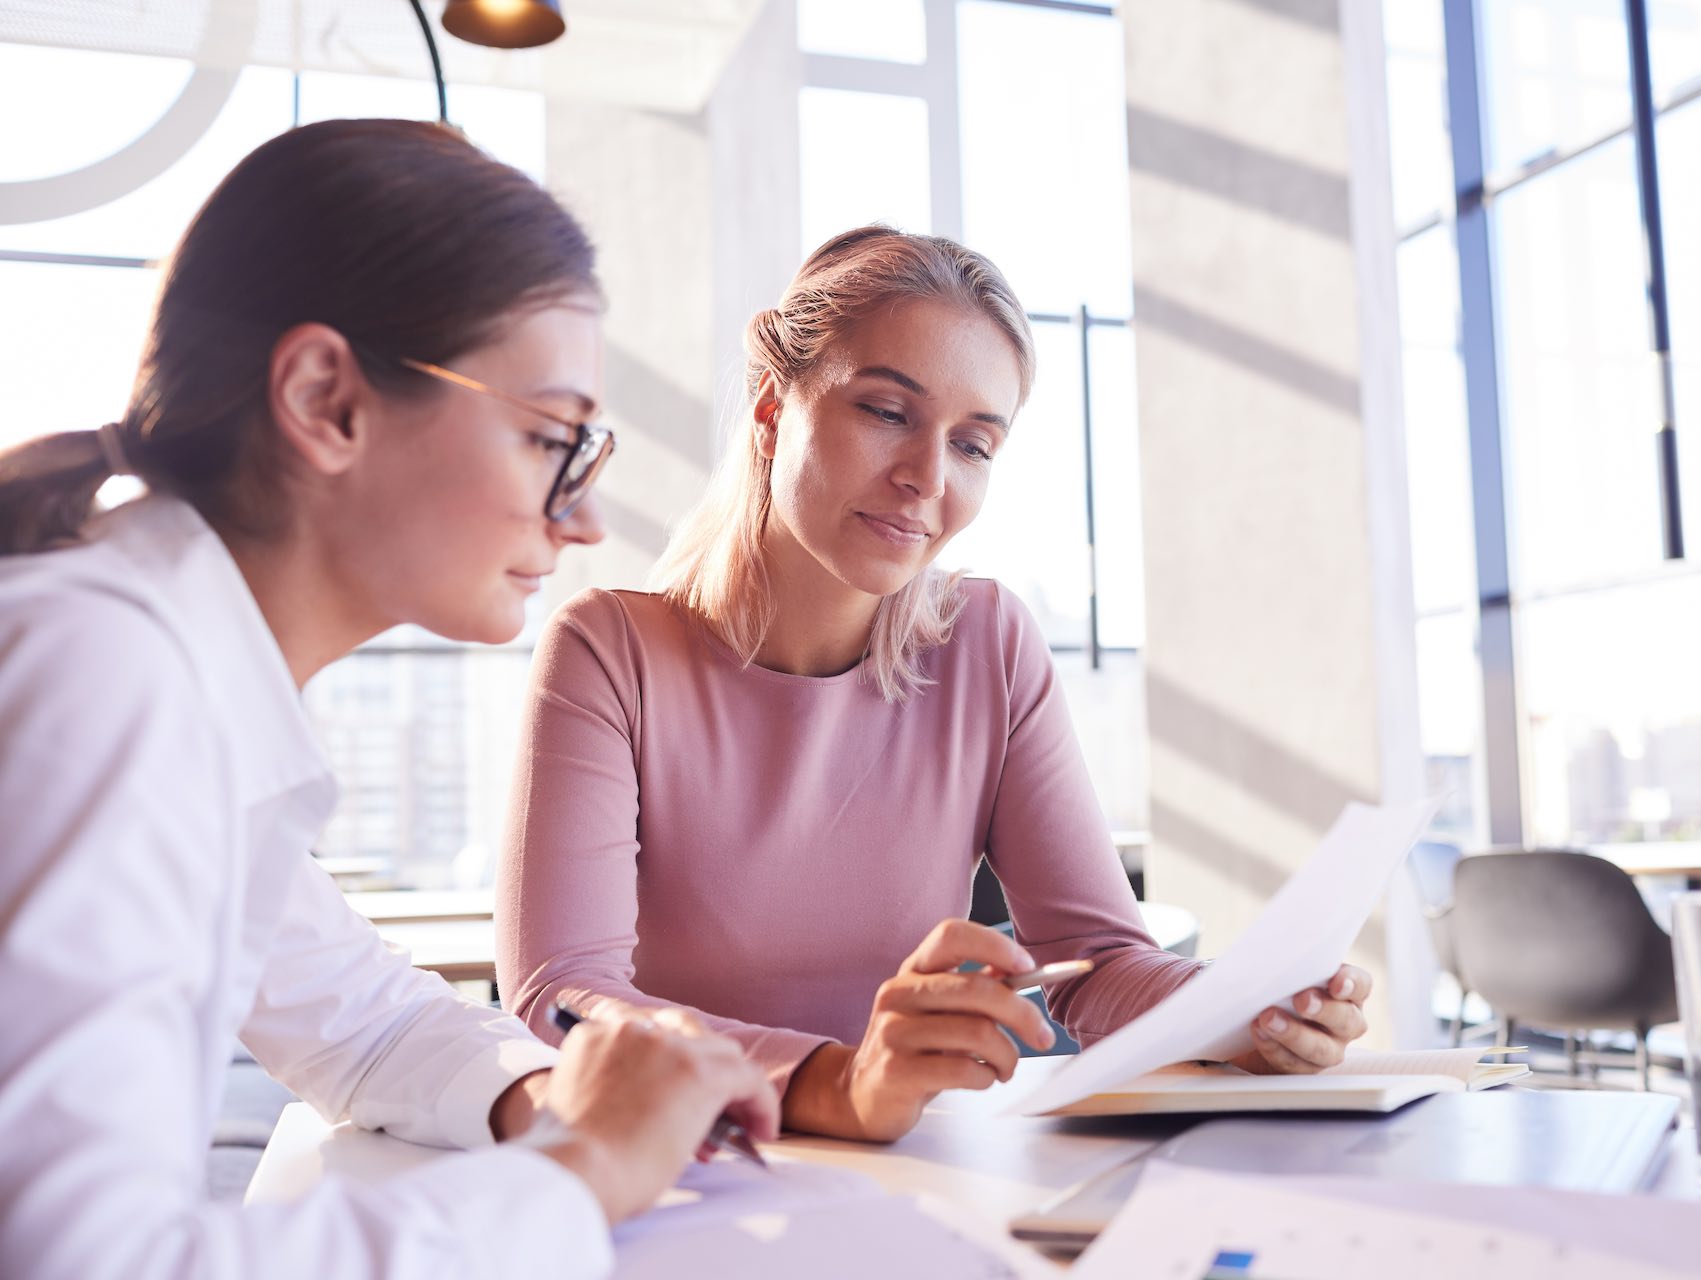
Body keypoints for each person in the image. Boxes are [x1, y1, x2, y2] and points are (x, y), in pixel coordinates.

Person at [0, 119, 777, 1280]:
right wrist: (583, 1171)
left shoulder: (173, 661)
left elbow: (356, 1015)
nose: (583, 522)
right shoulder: (109, 672)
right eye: (549, 439)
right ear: (326, 398)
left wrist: (558, 1096)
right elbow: (81, 1258)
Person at [497, 226, 1373, 1143]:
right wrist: (842, 1084)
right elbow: (561, 999)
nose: (925, 478)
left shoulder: (986, 642)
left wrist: (1254, 1009)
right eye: (885, 411)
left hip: (917, 1170)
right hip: (682, 1171)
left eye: (974, 444)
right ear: (770, 407)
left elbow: (1100, 962)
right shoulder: (608, 652)